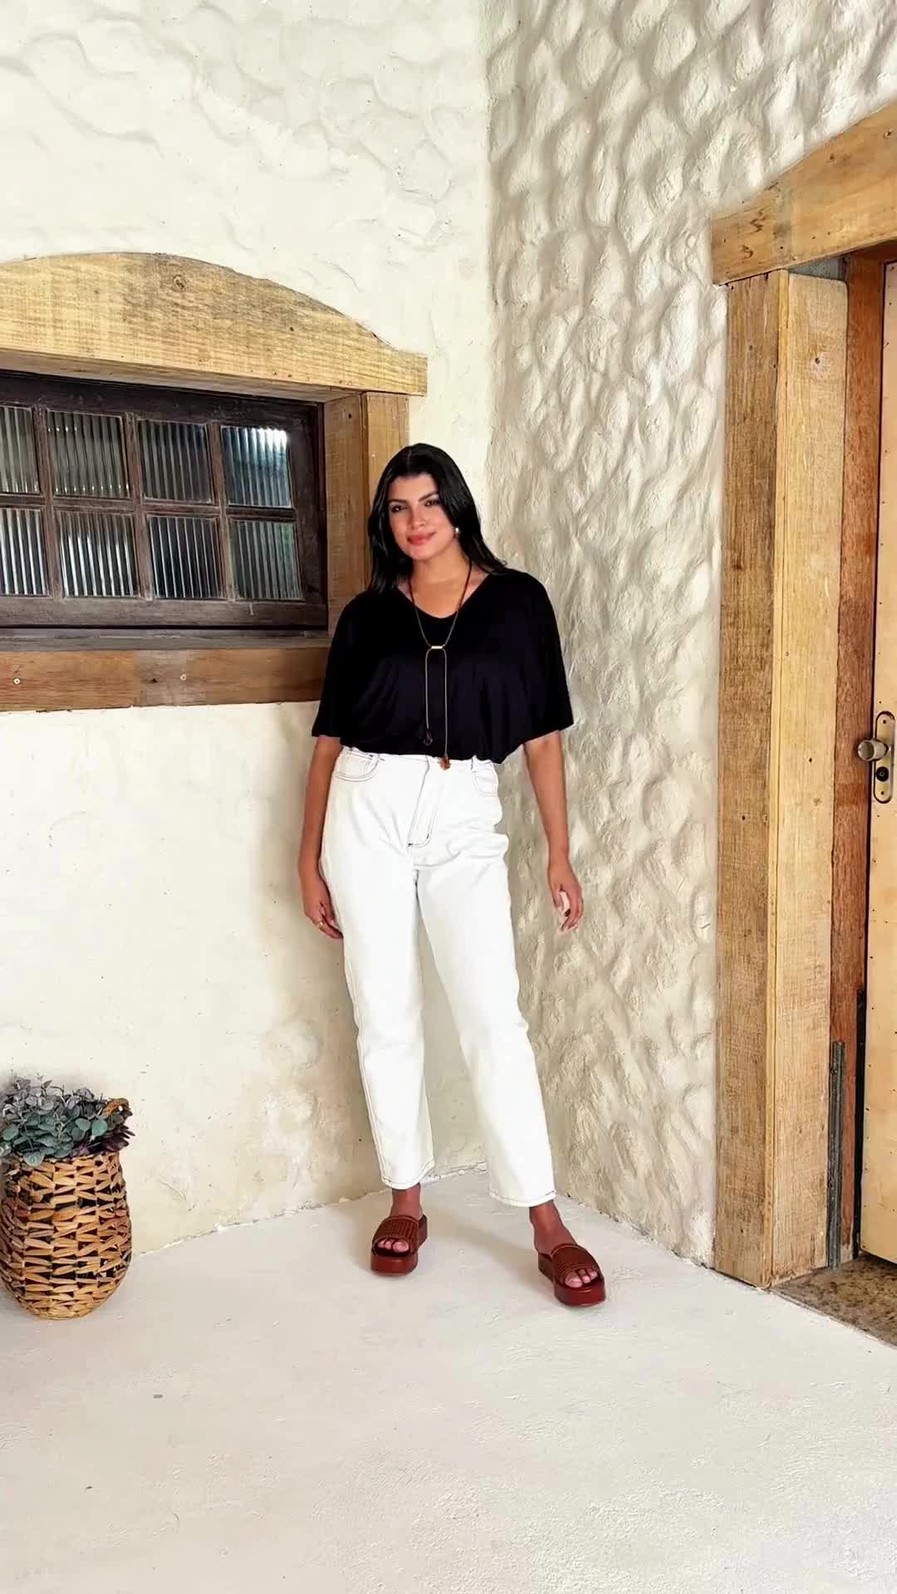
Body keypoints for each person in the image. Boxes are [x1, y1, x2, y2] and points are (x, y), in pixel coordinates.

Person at [298, 443, 604, 1307]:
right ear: (384, 521)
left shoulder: (518, 602)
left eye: (429, 501)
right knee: (383, 1009)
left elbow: (542, 738)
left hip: (463, 804)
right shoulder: (367, 615)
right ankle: (406, 1198)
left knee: (492, 1015)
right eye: (398, 507)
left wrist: (558, 851)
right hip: (366, 806)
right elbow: (327, 744)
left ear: (457, 507)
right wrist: (307, 856)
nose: (415, 520)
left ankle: (543, 1218)